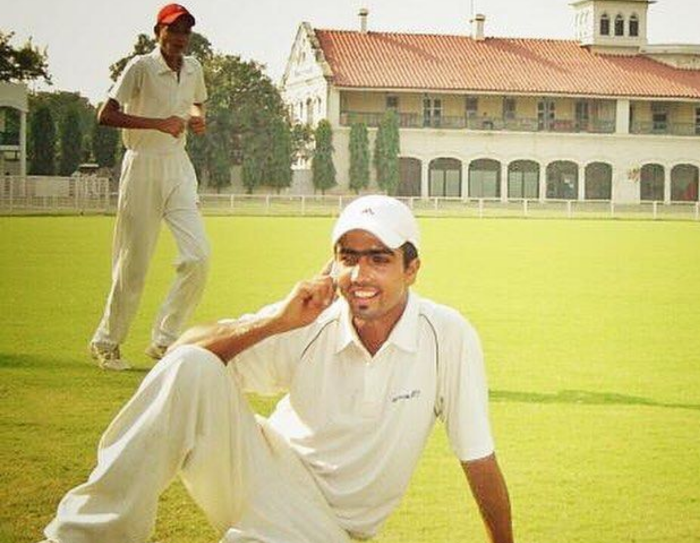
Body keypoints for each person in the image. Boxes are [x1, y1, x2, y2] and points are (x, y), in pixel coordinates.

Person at [41, 195, 514, 543]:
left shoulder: (447, 335)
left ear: (412, 269)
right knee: (193, 364)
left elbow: (478, 458)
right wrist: (276, 322)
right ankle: (80, 538)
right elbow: (181, 360)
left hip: (328, 527)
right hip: (260, 470)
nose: (360, 275)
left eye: (379, 259)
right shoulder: (309, 315)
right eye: (348, 258)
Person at [89, 3, 210, 371]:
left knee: (198, 257)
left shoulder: (194, 68)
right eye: (173, 30)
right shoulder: (140, 66)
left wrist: (198, 119)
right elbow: (105, 115)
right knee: (133, 264)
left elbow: (196, 104)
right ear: (158, 32)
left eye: (185, 31)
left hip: (178, 165)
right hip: (142, 165)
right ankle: (106, 343)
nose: (179, 37)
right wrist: (158, 123)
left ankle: (165, 339)